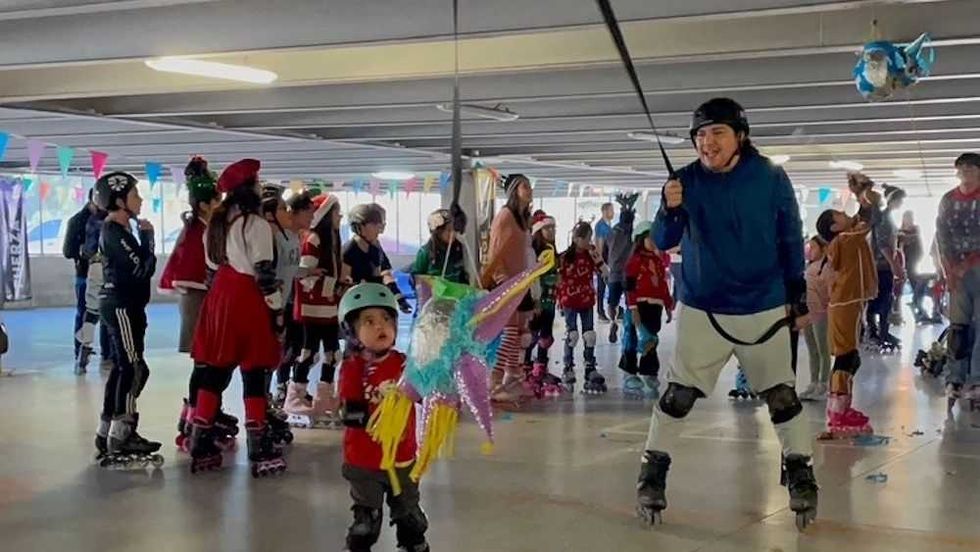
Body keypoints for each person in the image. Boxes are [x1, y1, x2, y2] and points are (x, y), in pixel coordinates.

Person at [639, 98, 817, 529]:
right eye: (700, 135)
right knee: (679, 395)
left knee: (781, 396)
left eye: (716, 132)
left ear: (740, 135)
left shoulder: (771, 177)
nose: (707, 142)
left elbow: (790, 235)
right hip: (704, 305)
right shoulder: (683, 181)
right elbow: (662, 240)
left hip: (764, 304)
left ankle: (800, 475)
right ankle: (652, 474)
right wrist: (670, 208)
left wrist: (797, 293)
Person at [188, 159, 286, 477]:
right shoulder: (254, 224)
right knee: (254, 370)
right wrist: (276, 309)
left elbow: (210, 268)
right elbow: (264, 272)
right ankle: (258, 444)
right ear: (251, 188)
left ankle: (199, 439)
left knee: (214, 371)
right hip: (247, 298)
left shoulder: (217, 222)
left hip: (220, 295)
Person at [337, 283, 429, 552]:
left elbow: (424, 394)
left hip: (403, 457)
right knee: (366, 524)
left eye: (387, 319)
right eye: (369, 321)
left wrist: (437, 378)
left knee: (411, 520)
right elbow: (349, 411)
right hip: (365, 460)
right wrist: (375, 414)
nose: (381, 326)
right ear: (352, 332)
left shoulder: (404, 363)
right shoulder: (353, 368)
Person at [160, 157, 239, 452]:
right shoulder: (198, 231)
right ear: (205, 205)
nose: (221, 203)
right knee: (206, 364)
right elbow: (196, 268)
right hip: (198, 302)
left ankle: (205, 412)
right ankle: (196, 418)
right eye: (217, 198)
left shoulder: (207, 227)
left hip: (209, 301)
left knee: (215, 364)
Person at [92, 171, 163, 468]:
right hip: (122, 305)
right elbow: (141, 270)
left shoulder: (119, 231)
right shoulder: (115, 233)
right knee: (135, 369)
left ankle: (107, 431)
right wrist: (149, 239)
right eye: (135, 195)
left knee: (123, 370)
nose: (141, 199)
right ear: (120, 201)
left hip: (126, 305)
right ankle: (124, 432)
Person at [816, 208, 878, 436]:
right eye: (839, 214)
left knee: (851, 358)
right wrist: (863, 200)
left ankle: (843, 409)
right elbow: (865, 224)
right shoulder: (843, 239)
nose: (845, 212)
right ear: (834, 227)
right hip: (845, 303)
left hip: (851, 302)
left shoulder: (845, 238)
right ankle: (836, 416)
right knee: (845, 358)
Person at [289, 192, 346, 428]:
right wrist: (324, 283)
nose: (339, 217)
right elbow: (302, 273)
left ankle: (324, 399)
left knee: (333, 354)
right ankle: (295, 398)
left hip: (328, 306)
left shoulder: (331, 240)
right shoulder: (313, 239)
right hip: (313, 307)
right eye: (336, 212)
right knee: (309, 353)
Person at [482, 174, 536, 403]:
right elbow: (495, 253)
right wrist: (504, 281)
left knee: (519, 334)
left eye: (530, 186)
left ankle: (512, 375)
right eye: (525, 186)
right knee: (509, 332)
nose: (529, 190)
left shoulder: (522, 218)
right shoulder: (505, 217)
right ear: (514, 190)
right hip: (507, 283)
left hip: (520, 281)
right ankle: (493, 381)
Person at [936, 152, 980, 401]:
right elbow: (942, 236)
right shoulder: (948, 200)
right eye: (961, 167)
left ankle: (976, 379)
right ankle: (955, 378)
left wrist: (968, 263)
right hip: (955, 270)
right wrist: (948, 269)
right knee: (958, 326)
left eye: (971, 168)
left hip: (976, 267)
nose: (965, 172)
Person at [268, 188, 317, 408]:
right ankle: (276, 390)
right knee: (278, 350)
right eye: (309, 213)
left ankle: (287, 388)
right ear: (294, 212)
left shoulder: (296, 238)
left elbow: (292, 269)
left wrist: (308, 272)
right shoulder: (278, 237)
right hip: (275, 303)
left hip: (290, 301)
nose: (312, 218)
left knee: (294, 348)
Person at [621, 220, 673, 400]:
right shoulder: (635, 260)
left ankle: (649, 372)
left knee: (652, 339)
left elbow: (662, 284)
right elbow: (629, 285)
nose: (653, 241)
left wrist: (668, 304)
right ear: (640, 239)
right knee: (634, 338)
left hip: (655, 305)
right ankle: (630, 374)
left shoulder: (657, 261)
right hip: (638, 304)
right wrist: (632, 307)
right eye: (650, 238)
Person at [556, 220, 609, 394]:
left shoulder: (591, 254)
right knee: (572, 335)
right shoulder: (565, 257)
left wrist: (610, 279)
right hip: (570, 300)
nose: (588, 241)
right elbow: (558, 279)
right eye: (585, 238)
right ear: (576, 239)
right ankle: (568, 366)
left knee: (589, 335)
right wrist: (559, 299)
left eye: (589, 238)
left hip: (586, 299)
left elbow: (603, 270)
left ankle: (589, 366)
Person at [63, 189, 110, 369]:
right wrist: (84, 254)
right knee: (88, 312)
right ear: (93, 200)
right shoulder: (80, 221)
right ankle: (82, 352)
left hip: (98, 272)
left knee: (96, 313)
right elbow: (68, 251)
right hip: (86, 274)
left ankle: (102, 353)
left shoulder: (103, 218)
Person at [342, 203, 412, 313]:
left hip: (375, 301)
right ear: (360, 226)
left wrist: (399, 298)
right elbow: (344, 285)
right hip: (356, 305)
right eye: (374, 224)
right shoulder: (349, 250)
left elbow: (385, 273)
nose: (379, 229)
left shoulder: (375, 246)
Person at [524, 210, 562, 398]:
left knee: (546, 336)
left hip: (550, 300)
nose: (552, 231)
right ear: (539, 230)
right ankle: (526, 369)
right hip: (538, 300)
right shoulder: (537, 250)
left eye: (554, 227)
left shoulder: (551, 248)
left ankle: (540, 368)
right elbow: (534, 276)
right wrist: (536, 300)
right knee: (532, 335)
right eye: (548, 228)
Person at [74, 199, 113, 374]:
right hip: (110, 267)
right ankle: (115, 354)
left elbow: (86, 250)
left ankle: (84, 348)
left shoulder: (91, 220)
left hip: (93, 266)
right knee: (115, 309)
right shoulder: (113, 221)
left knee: (91, 311)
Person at [866, 183, 906, 350]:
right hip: (881, 266)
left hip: (879, 266)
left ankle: (878, 332)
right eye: (900, 200)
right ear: (893, 200)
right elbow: (883, 246)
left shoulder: (885, 218)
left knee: (878, 299)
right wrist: (895, 266)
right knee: (883, 300)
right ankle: (879, 333)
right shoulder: (884, 218)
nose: (901, 204)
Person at [799, 236, 833, 401]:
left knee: (822, 350)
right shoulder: (808, 267)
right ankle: (813, 381)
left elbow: (830, 293)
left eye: (813, 248)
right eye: (808, 248)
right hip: (808, 314)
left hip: (822, 314)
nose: (809, 251)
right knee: (812, 349)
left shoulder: (827, 268)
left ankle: (824, 382)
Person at [605, 192, 640, 344]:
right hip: (629, 274)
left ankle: (613, 321)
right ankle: (629, 327)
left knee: (612, 303)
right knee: (630, 303)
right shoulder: (633, 234)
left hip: (614, 273)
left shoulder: (611, 232)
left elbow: (605, 250)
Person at [411, 208, 473, 285]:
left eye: (455, 230)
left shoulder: (459, 248)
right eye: (449, 230)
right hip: (433, 295)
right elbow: (415, 279)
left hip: (455, 294)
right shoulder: (425, 252)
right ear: (438, 232)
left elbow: (462, 275)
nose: (453, 234)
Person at [899, 210, 930, 323]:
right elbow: (900, 247)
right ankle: (919, 309)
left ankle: (917, 306)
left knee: (920, 284)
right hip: (906, 261)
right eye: (908, 218)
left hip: (915, 260)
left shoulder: (916, 229)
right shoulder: (900, 232)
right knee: (915, 284)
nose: (910, 220)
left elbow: (919, 242)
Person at [594, 202, 615, 322]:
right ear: (605, 211)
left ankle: (610, 309)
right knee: (603, 287)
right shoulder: (601, 226)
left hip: (609, 261)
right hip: (604, 262)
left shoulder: (607, 226)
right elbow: (599, 245)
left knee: (607, 286)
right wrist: (602, 264)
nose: (613, 213)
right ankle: (601, 311)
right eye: (611, 210)